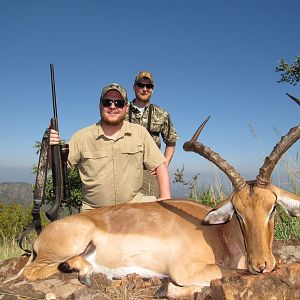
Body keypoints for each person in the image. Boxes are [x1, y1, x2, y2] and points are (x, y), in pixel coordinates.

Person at [49, 83, 171, 211]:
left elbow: (159, 165)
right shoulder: (81, 137)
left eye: (118, 103)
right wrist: (51, 148)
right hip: (94, 211)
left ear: (126, 107)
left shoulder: (140, 133)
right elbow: (58, 168)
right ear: (100, 105)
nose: (113, 106)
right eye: (107, 102)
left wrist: (166, 196)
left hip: (135, 204)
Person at [125, 71, 179, 197]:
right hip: (125, 171)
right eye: (140, 85)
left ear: (152, 89)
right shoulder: (121, 109)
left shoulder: (162, 113)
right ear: (134, 87)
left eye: (148, 86)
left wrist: (164, 165)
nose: (144, 89)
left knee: (151, 212)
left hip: (150, 173)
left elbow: (171, 141)